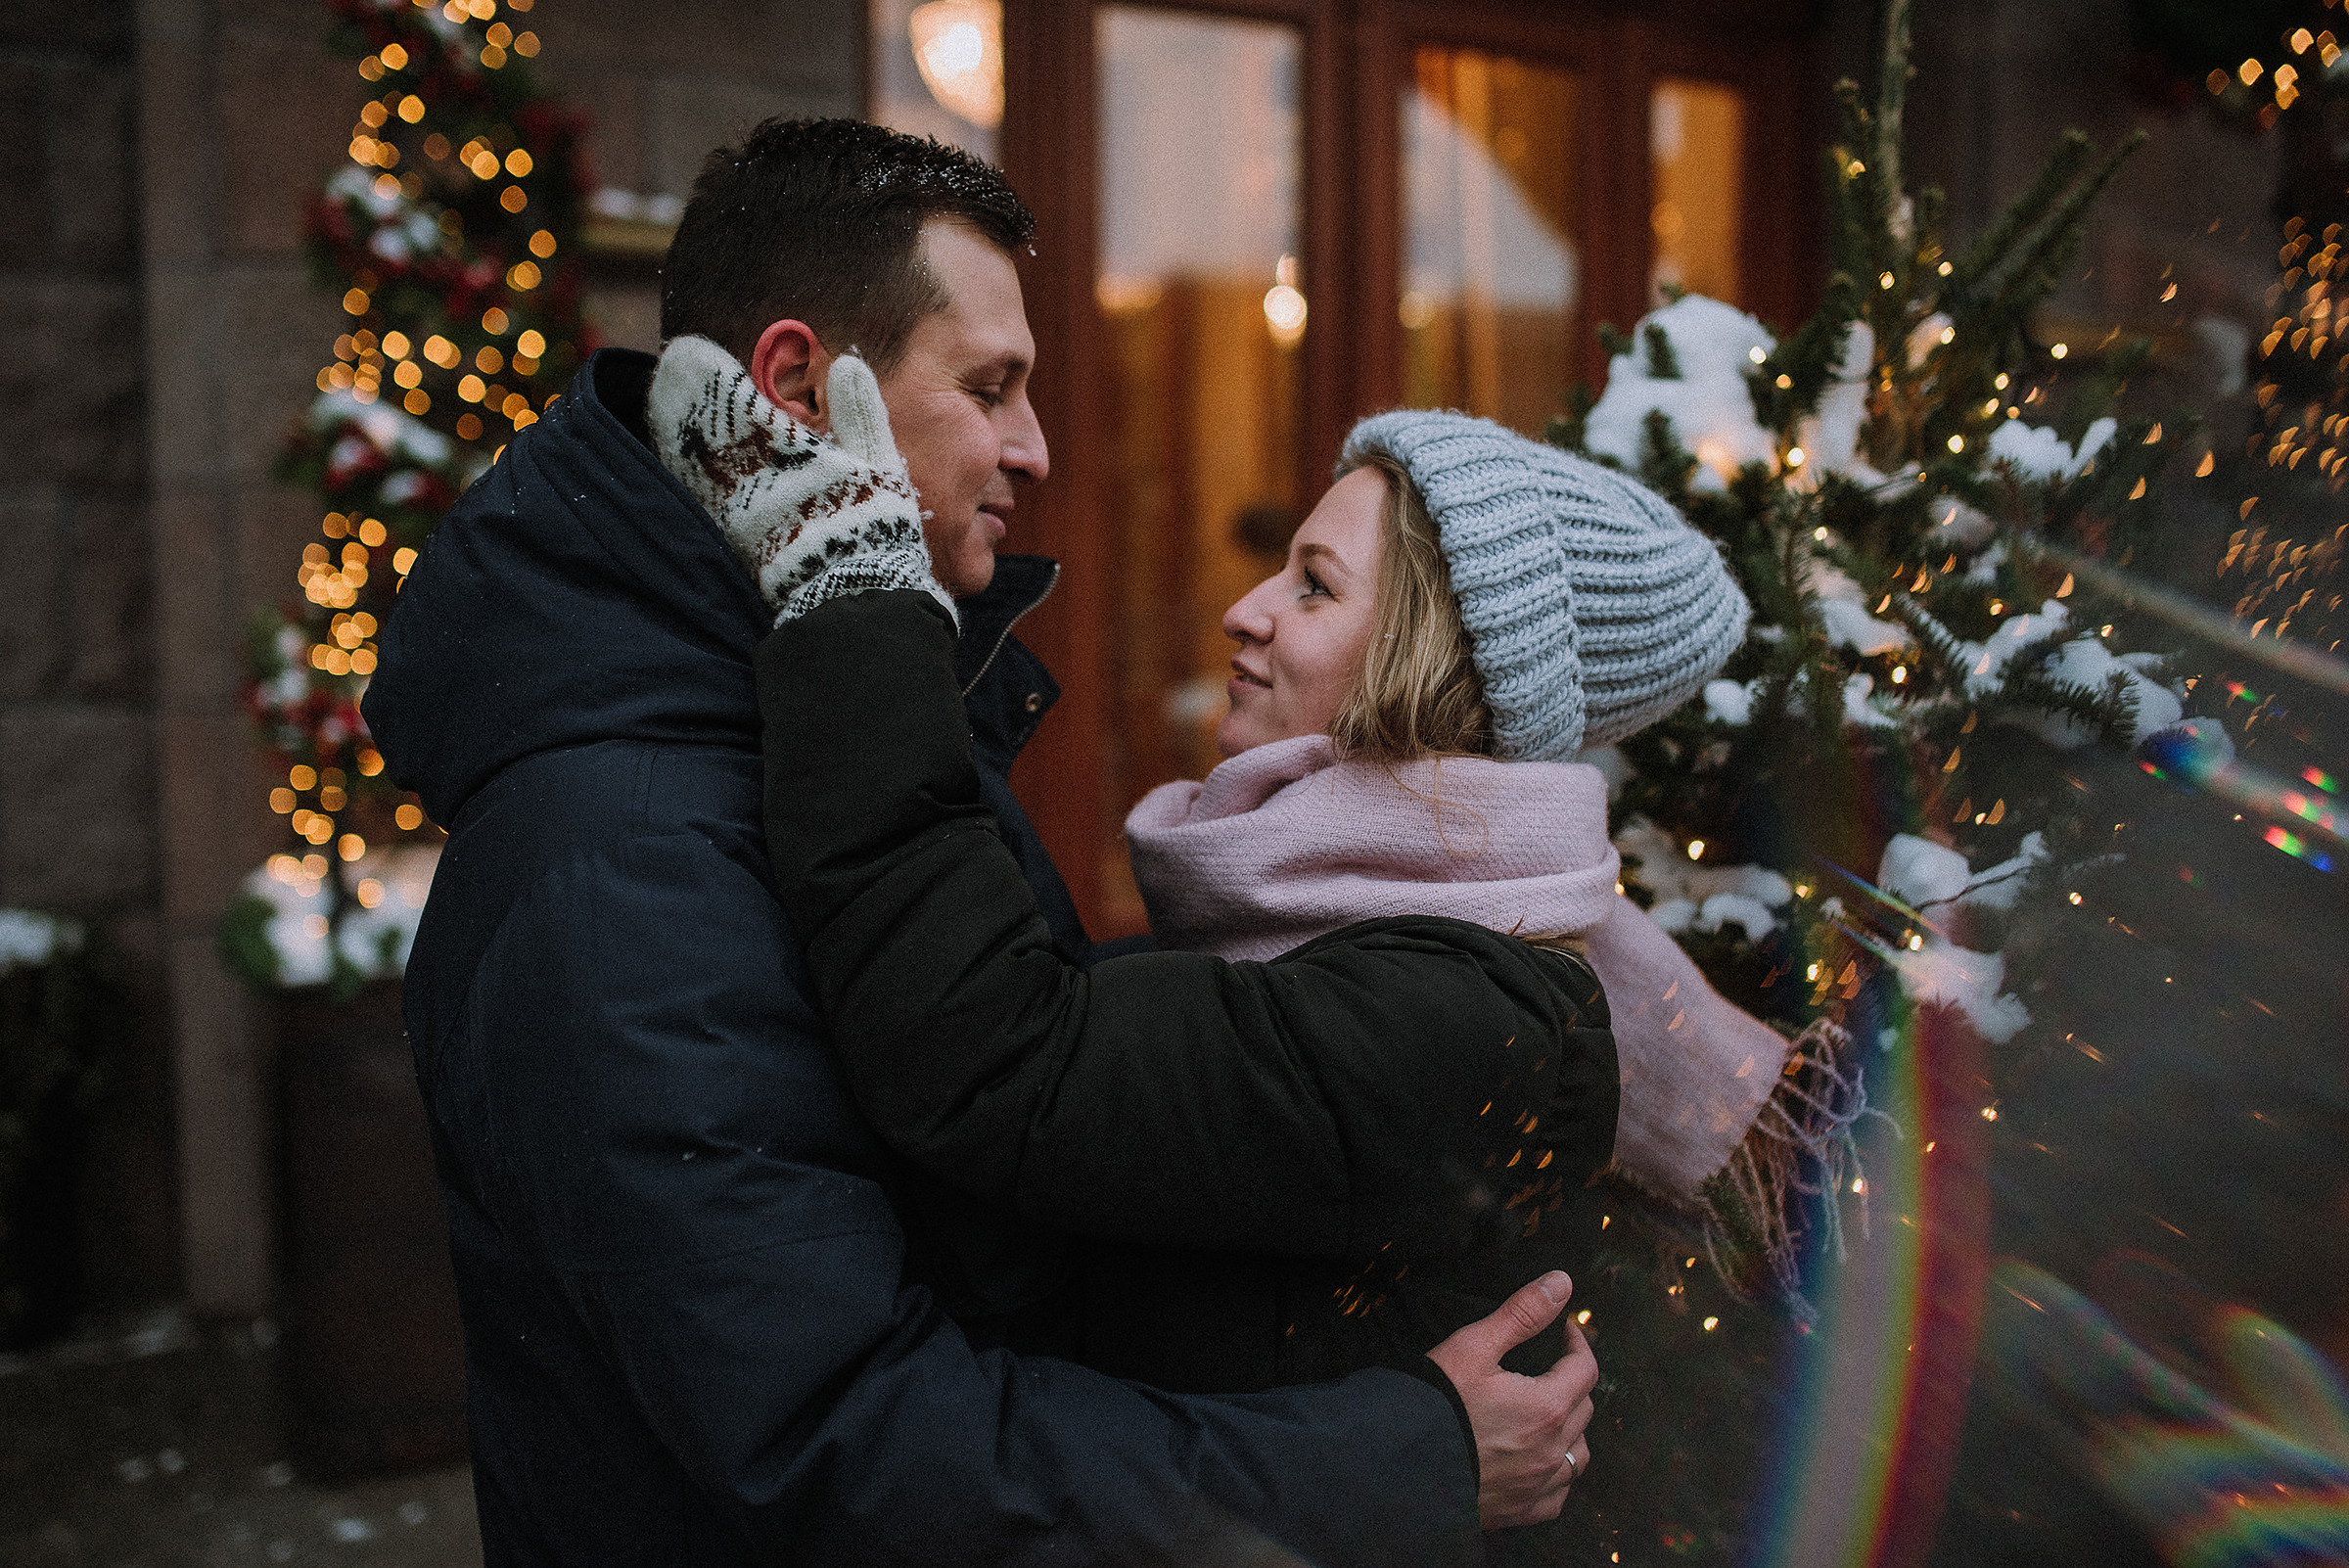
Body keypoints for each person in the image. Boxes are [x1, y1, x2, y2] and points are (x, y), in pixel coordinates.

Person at [363, 116, 1594, 1566]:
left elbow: (1015, 1177)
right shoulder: (625, 859)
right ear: (798, 391)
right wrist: (1389, 1461)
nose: (1036, 447)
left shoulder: (831, 723)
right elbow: (850, 1449)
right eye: (991, 387)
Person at [736, 374, 1875, 1430]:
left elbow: (1012, 1066)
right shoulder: (1354, 943)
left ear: (1434, 662)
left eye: (1315, 584)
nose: (1245, 609)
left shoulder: (1459, 1015)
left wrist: (861, 613)